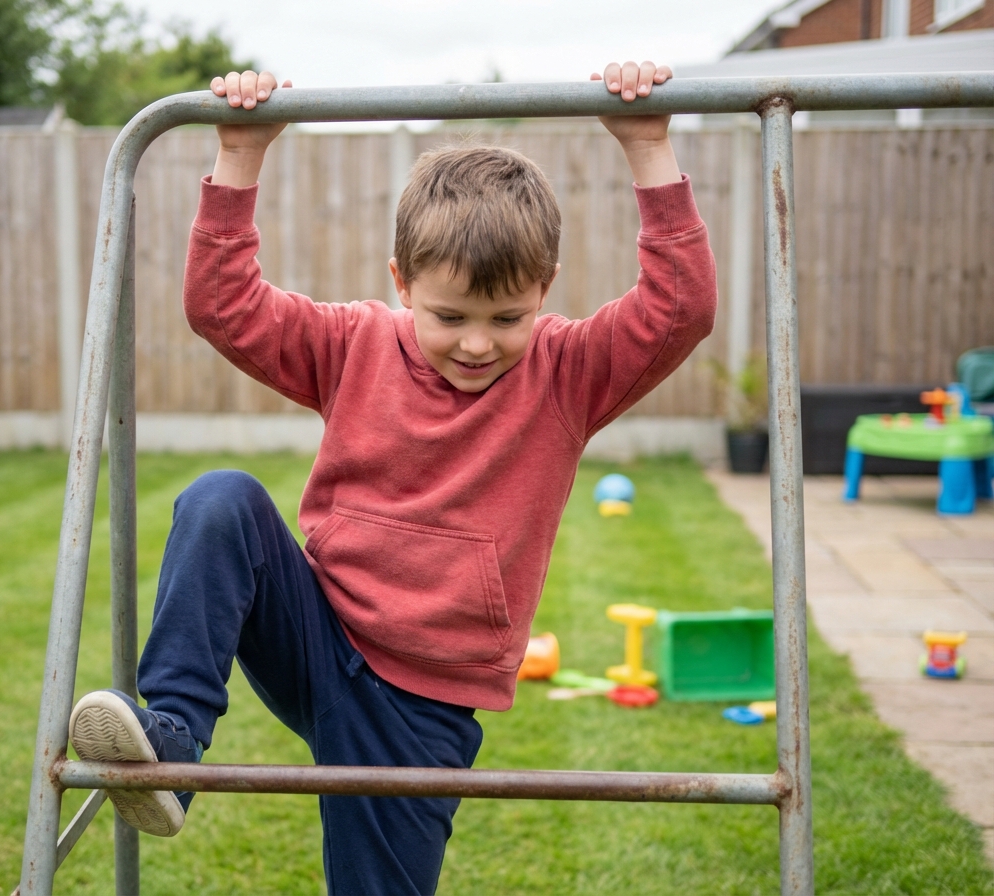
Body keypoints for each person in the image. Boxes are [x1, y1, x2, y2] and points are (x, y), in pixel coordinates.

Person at [68, 61, 717, 895]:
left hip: (422, 705)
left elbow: (679, 310)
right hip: (317, 634)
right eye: (450, 316)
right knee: (222, 500)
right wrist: (240, 155)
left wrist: (649, 147)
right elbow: (223, 307)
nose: (477, 344)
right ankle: (174, 743)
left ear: (544, 292)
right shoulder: (353, 345)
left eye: (506, 318)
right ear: (402, 282)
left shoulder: (568, 372)